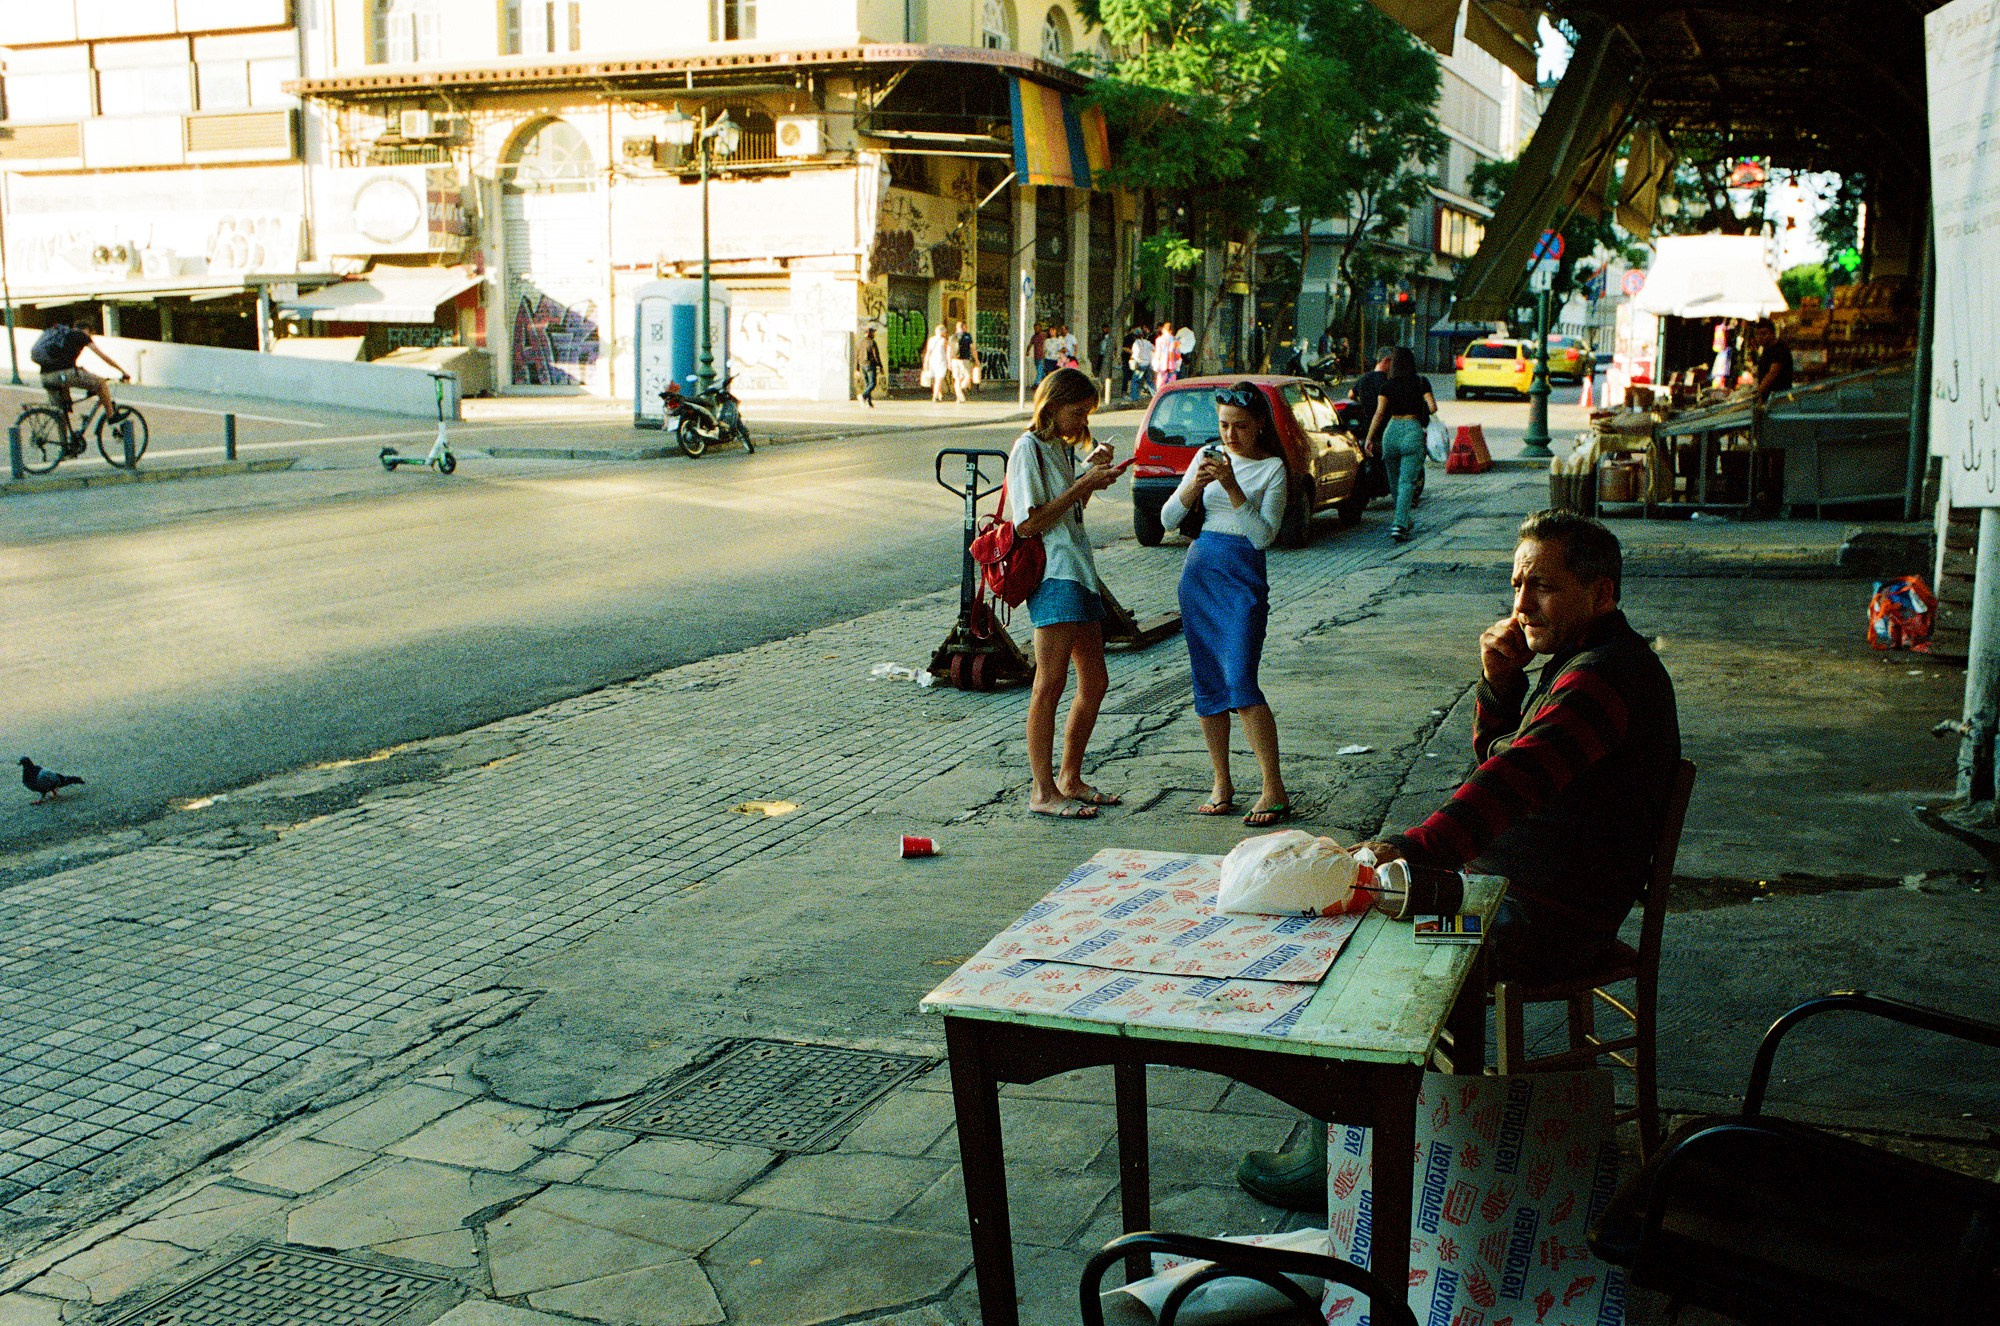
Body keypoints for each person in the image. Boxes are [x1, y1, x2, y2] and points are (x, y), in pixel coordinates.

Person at [1237, 511, 1681, 1210]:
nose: (1521, 605)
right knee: (1382, 908)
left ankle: (1350, 1157)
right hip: (1509, 899)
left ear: (1602, 594)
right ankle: (1361, 1130)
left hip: (1538, 925)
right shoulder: (1582, 663)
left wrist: (1403, 850)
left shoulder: (1600, 679)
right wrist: (1500, 684)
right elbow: (1503, 764)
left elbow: (1502, 790)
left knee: (1379, 939)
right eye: (1516, 584)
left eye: (1543, 587)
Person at [1158, 382, 1294, 827]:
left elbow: (1263, 536)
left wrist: (1234, 487)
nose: (1230, 436)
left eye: (1239, 427)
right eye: (1222, 425)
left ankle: (1273, 787)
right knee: (1209, 683)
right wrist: (1193, 488)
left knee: (1241, 679)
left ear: (1258, 427)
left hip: (1243, 576)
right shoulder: (1207, 457)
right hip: (1200, 572)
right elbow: (1166, 519)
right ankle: (1222, 783)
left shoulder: (1272, 468)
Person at [1008, 367, 1126, 819]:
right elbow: (1028, 523)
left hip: (1079, 572)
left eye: (1086, 414)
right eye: (1076, 413)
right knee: (1049, 684)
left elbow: (1070, 513)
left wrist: (1091, 478)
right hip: (1053, 576)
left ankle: (1069, 776)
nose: (1081, 422)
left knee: (1094, 681)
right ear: (1051, 407)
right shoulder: (1028, 449)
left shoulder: (1057, 448)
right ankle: (1042, 791)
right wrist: (1081, 485)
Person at [1364, 346, 1437, 542]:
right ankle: (1400, 523)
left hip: (1391, 432)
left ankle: (1402, 518)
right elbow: (1432, 407)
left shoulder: (1386, 386)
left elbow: (1379, 414)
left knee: (1394, 481)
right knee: (1407, 482)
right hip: (1412, 430)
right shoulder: (1421, 382)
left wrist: (1370, 438)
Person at [32, 322, 128, 416]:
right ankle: (112, 416)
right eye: (90, 333)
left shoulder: (63, 336)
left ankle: (63, 431)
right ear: (86, 330)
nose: (90, 336)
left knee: (61, 412)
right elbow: (103, 356)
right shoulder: (81, 335)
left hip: (45, 377)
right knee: (101, 383)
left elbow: (64, 362)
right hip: (63, 375)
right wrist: (122, 371)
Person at [1752, 321, 1793, 401]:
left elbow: (1773, 372)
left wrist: (1758, 392)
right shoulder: (1766, 350)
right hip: (1769, 398)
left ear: (1772, 334)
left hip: (1779, 398)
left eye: (1763, 334)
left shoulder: (1780, 349)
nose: (1760, 337)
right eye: (1757, 334)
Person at [923, 325, 951, 403]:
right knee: (939, 379)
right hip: (941, 361)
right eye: (945, 331)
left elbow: (928, 352)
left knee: (935, 379)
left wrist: (926, 362)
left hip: (932, 361)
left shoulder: (931, 340)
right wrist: (949, 362)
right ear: (942, 332)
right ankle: (935, 396)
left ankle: (939, 395)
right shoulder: (944, 341)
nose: (946, 333)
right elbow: (947, 352)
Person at [1152, 322, 1182, 394]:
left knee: (1160, 387)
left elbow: (1158, 354)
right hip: (1172, 366)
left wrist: (1156, 364)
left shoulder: (1159, 340)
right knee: (1172, 386)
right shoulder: (1176, 341)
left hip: (1162, 366)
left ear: (1163, 330)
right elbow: (1178, 355)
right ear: (1171, 330)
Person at [950, 321, 974, 403]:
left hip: (954, 360)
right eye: (965, 327)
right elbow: (972, 348)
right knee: (967, 377)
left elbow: (949, 350)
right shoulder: (967, 336)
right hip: (964, 359)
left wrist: (949, 361)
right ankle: (961, 389)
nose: (966, 328)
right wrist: (976, 359)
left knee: (957, 379)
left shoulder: (952, 337)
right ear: (963, 327)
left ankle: (959, 398)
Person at [859, 327, 884, 407]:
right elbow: (876, 355)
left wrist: (856, 368)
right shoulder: (872, 342)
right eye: (873, 332)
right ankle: (863, 396)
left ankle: (869, 403)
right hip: (870, 365)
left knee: (867, 384)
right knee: (873, 383)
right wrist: (880, 366)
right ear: (869, 333)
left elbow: (857, 355)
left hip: (862, 365)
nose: (874, 334)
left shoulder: (860, 342)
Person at [1127, 327, 1153, 401]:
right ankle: (1155, 395)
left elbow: (1136, 354)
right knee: (1149, 382)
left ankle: (1134, 398)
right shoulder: (1147, 342)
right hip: (1147, 364)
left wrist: (1134, 359)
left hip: (1140, 364)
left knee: (1135, 381)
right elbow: (1153, 349)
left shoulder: (1136, 344)